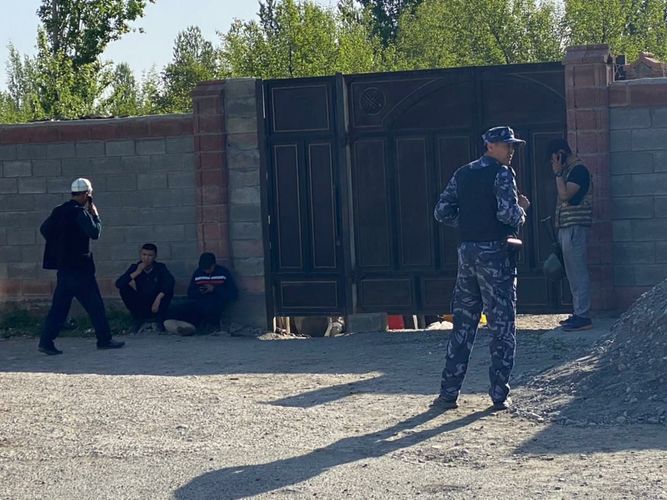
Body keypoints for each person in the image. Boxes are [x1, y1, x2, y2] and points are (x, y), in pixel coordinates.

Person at [432, 126, 530, 411]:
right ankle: (499, 394)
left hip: (467, 254)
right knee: (502, 325)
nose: (511, 151)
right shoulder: (502, 173)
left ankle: (448, 393)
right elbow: (507, 214)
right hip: (495, 256)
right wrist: (522, 208)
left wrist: (468, 222)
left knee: (463, 324)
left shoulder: (463, 173)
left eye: (512, 145)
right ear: (490, 146)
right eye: (506, 145)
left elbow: (441, 211)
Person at [38, 178, 125, 355]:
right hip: (81, 269)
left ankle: (46, 342)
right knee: (96, 306)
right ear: (86, 194)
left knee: (59, 309)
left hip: (64, 269)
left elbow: (44, 229)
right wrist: (95, 216)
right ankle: (104, 339)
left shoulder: (59, 210)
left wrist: (61, 245)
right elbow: (95, 232)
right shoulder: (80, 213)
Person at [546, 138, 593, 332]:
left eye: (554, 159)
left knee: (578, 271)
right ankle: (578, 311)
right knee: (572, 272)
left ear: (561, 154)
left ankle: (583, 316)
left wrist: (558, 173)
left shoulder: (578, 171)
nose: (553, 164)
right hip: (567, 227)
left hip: (575, 227)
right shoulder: (570, 171)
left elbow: (565, 195)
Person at [164, 252, 238, 335]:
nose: (206, 271)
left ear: (214, 265)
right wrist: (199, 291)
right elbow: (190, 293)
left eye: (209, 269)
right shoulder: (198, 273)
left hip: (216, 304)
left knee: (209, 309)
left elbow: (233, 293)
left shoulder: (223, 272)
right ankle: (182, 327)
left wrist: (214, 289)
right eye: (204, 269)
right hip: (199, 302)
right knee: (175, 310)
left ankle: (201, 328)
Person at [115, 243, 175, 333]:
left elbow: (170, 282)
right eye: (144, 254)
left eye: (150, 255)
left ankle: (159, 321)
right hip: (142, 301)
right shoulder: (135, 267)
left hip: (157, 303)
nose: (146, 258)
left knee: (168, 291)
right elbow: (119, 283)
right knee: (124, 288)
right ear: (140, 255)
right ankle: (138, 319)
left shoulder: (160, 268)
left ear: (155, 256)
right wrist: (137, 272)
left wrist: (158, 298)